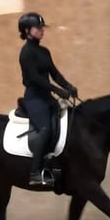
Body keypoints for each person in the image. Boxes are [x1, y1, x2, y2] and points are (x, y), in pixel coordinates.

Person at [17, 12, 78, 186]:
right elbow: (36, 79)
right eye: (38, 27)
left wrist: (68, 86)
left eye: (42, 27)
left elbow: (54, 73)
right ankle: (35, 173)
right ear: (27, 31)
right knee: (45, 129)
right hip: (34, 98)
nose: (42, 30)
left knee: (65, 124)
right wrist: (59, 91)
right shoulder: (26, 53)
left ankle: (57, 165)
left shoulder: (44, 51)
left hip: (47, 97)